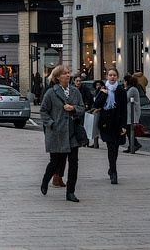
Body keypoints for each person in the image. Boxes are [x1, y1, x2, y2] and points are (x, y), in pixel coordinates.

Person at [40, 65, 85, 202]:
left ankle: (70, 192)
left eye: (68, 73)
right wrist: (51, 123)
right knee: (55, 162)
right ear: (58, 77)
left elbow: (82, 108)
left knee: (73, 163)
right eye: (65, 73)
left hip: (72, 133)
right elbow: (43, 111)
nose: (68, 75)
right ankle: (45, 180)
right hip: (57, 132)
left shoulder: (75, 91)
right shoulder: (51, 93)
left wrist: (73, 108)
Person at [93, 68, 128, 184]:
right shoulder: (102, 89)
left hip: (117, 122)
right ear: (107, 77)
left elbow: (124, 109)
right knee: (110, 147)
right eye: (110, 75)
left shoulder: (121, 90)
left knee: (116, 147)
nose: (112, 77)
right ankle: (114, 172)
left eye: (114, 75)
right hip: (106, 122)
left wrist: (124, 126)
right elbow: (97, 104)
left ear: (117, 77)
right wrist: (103, 95)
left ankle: (111, 168)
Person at [123, 74, 142, 154]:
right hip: (130, 112)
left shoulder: (132, 89)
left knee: (129, 130)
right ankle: (131, 146)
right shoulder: (131, 89)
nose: (123, 83)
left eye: (124, 81)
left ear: (127, 81)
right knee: (128, 130)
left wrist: (124, 90)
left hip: (132, 113)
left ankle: (135, 144)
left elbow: (126, 98)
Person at [89, 79, 104, 148]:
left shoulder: (102, 92)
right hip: (95, 110)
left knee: (98, 126)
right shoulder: (95, 92)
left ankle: (96, 142)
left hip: (100, 111)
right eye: (97, 85)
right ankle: (95, 142)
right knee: (95, 126)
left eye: (99, 85)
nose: (98, 86)